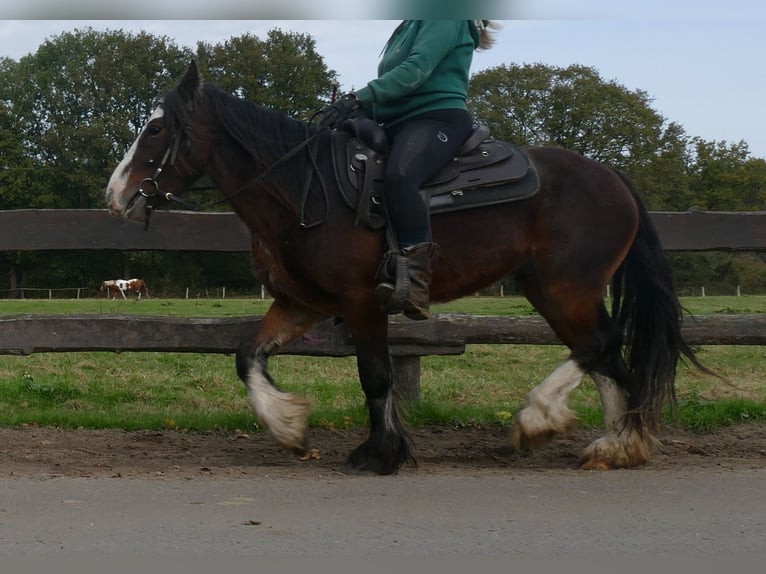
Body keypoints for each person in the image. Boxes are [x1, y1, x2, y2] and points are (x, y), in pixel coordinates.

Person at [319, 20, 498, 320]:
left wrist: (357, 97)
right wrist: (359, 112)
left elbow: (415, 71)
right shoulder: (409, 24)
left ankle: (416, 281)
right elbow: (395, 85)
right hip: (397, 122)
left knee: (401, 175)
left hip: (436, 118)